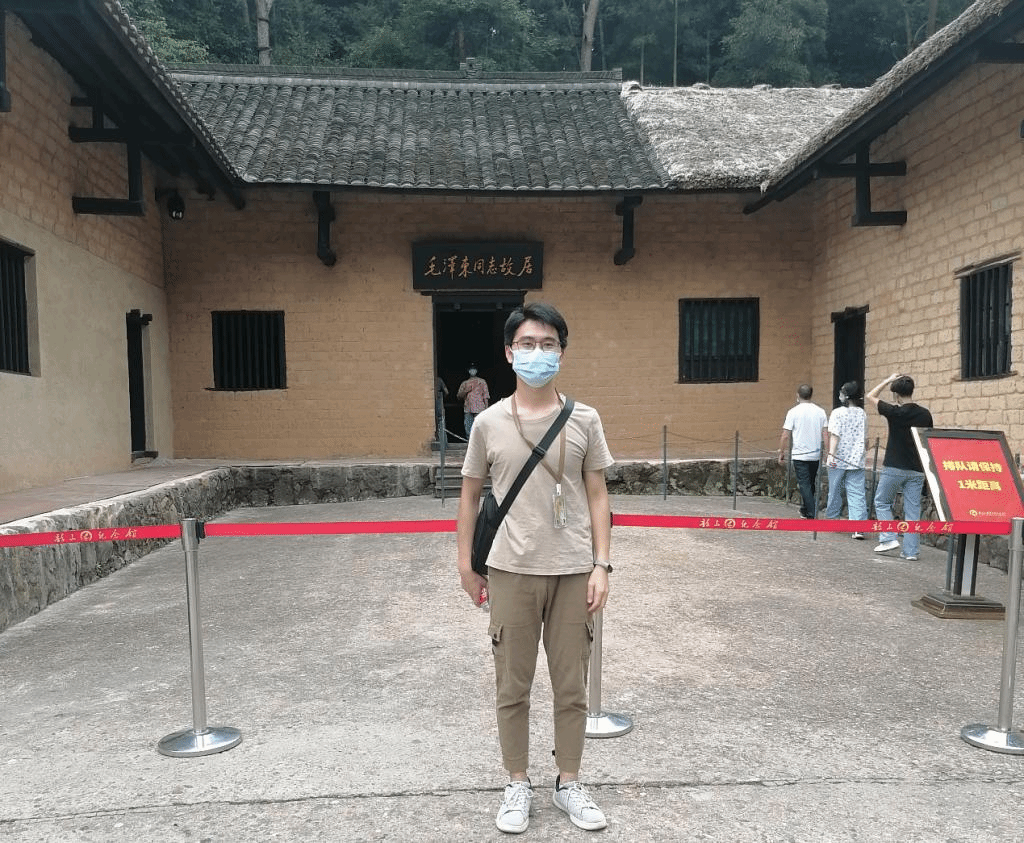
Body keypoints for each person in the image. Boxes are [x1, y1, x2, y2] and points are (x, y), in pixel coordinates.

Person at [456, 302, 613, 834]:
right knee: (512, 686)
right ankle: (517, 782)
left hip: (572, 571)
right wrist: (465, 565)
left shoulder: (585, 419)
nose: (537, 353)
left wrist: (602, 564)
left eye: (548, 344)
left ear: (561, 353)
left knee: (572, 687)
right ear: (509, 353)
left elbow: (598, 493)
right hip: (510, 570)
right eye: (527, 344)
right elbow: (469, 496)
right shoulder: (488, 423)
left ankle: (569, 782)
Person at [866, 372, 933, 560]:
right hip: (917, 468)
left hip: (894, 466)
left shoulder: (894, 412)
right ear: (912, 391)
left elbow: (870, 396)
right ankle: (911, 552)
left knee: (882, 501)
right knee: (913, 512)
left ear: (896, 395)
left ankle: (888, 538)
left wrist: (887, 380)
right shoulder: (925, 414)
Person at [824, 381, 868, 539]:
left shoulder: (837, 413)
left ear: (846, 396)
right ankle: (858, 528)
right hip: (857, 459)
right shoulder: (862, 414)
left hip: (839, 458)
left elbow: (835, 435)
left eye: (841, 392)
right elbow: (865, 437)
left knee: (834, 490)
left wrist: (831, 454)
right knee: (857, 493)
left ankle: (833, 521)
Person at [778, 384, 828, 519]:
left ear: (798, 395)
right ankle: (805, 509)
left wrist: (781, 452)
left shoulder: (793, 412)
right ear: (811, 395)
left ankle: (812, 512)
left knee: (804, 484)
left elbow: (785, 435)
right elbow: (825, 434)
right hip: (815, 454)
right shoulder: (820, 412)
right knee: (810, 482)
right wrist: (827, 452)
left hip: (799, 455)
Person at [457, 364, 490, 440]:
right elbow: (459, 396)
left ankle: (480, 443)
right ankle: (469, 442)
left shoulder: (482, 382)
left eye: (474, 369)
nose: (472, 371)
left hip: (480, 408)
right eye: (471, 369)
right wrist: (465, 391)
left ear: (477, 370)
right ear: (468, 371)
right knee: (468, 428)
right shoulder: (465, 383)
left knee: (480, 427)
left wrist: (486, 409)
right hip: (468, 408)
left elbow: (486, 396)